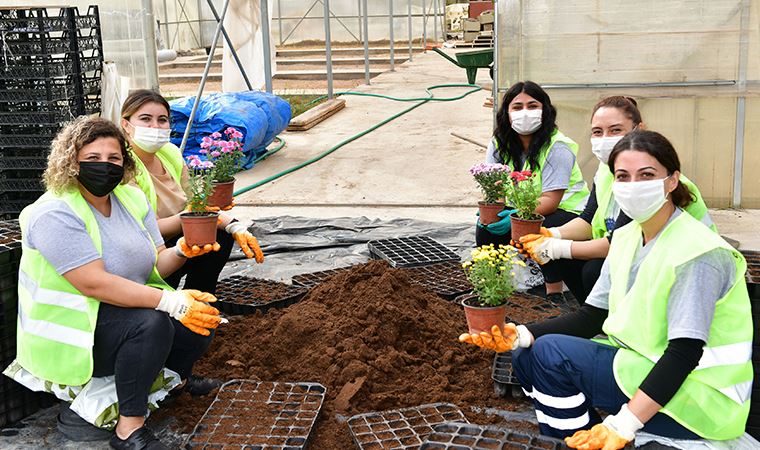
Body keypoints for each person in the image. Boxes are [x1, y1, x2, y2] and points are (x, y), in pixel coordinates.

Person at [461, 130, 752, 448]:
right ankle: (576, 439)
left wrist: (626, 422)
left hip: (701, 399)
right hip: (645, 368)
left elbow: (684, 353)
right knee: (526, 352)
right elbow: (592, 317)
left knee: (551, 354)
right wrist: (521, 334)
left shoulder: (698, 252)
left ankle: (591, 437)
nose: (633, 186)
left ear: (672, 181)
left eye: (647, 175)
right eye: (623, 177)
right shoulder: (629, 237)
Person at [5, 117, 224, 449]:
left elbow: (155, 263)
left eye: (113, 159)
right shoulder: (53, 212)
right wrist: (169, 302)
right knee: (152, 324)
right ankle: (129, 428)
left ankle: (172, 385)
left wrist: (182, 250)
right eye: (92, 159)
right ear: (70, 161)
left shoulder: (131, 200)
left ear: (125, 163)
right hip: (74, 331)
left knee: (198, 321)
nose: (104, 166)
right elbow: (94, 284)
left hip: (115, 313)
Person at [518, 97, 714, 304]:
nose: (605, 139)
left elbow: (618, 244)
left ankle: (605, 317)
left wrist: (554, 247)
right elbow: (588, 220)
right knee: (568, 255)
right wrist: (548, 234)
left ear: (639, 129)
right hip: (639, 254)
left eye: (615, 130)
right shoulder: (605, 171)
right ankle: (596, 314)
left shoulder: (651, 183)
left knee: (594, 268)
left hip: (685, 264)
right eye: (597, 132)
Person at [120, 89, 264, 295]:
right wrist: (193, 217)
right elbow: (146, 229)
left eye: (162, 120)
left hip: (178, 230)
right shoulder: (123, 166)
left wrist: (233, 226)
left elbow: (196, 202)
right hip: (147, 246)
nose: (155, 126)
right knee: (203, 235)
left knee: (220, 237)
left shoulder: (168, 152)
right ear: (126, 124)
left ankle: (201, 299)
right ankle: (164, 302)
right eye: (145, 119)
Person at [477, 81, 590, 302]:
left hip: (568, 211)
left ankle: (554, 292)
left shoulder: (557, 146)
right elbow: (496, 189)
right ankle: (492, 285)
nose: (525, 113)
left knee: (542, 226)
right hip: (523, 207)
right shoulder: (499, 143)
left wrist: (515, 217)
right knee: (486, 228)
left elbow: (551, 200)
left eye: (532, 106)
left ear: (545, 110)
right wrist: (494, 211)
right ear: (507, 114)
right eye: (517, 107)